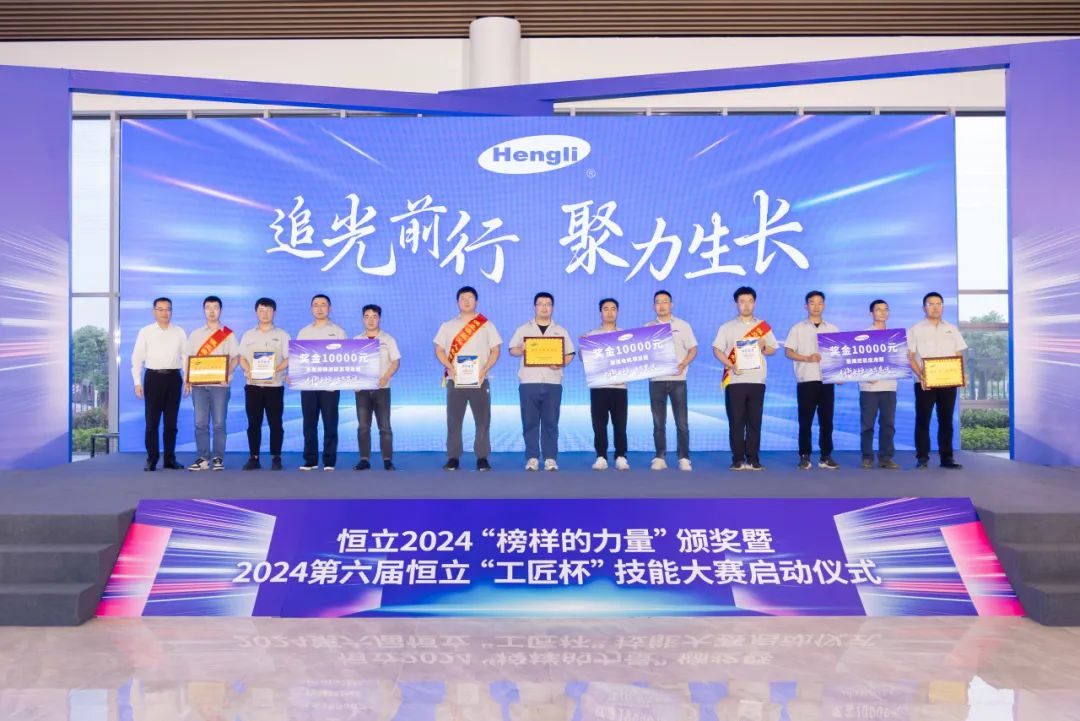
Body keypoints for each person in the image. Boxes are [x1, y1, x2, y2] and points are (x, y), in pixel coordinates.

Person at [434, 286, 502, 472]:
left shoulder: (486, 325)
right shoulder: (448, 326)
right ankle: (453, 457)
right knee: (454, 420)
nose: (466, 301)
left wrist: (484, 370)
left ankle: (482, 457)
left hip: (480, 380)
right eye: (463, 298)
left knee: (483, 420)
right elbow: (439, 350)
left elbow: (496, 350)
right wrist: (450, 368)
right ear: (457, 303)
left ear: (476, 301)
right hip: (455, 380)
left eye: (470, 298)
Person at [713, 286, 778, 471]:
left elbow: (772, 350)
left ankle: (753, 459)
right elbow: (717, 349)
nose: (746, 305)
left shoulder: (762, 327)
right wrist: (730, 364)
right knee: (736, 421)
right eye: (742, 302)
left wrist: (763, 346)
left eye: (750, 301)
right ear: (736, 304)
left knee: (754, 422)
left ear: (754, 303)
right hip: (735, 380)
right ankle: (737, 459)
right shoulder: (727, 327)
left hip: (757, 380)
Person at [509, 292, 576, 471]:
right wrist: (521, 349)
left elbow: (570, 353)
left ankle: (550, 458)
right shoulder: (524, 329)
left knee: (551, 422)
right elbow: (512, 350)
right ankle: (532, 458)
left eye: (548, 304)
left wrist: (561, 363)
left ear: (552, 308)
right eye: (540, 304)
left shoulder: (560, 330)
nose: (544, 307)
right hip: (529, 382)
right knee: (530, 422)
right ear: (534, 307)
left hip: (553, 382)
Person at [908, 291, 968, 469]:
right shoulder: (915, 329)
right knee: (923, 420)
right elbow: (910, 357)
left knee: (946, 420)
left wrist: (961, 373)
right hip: (924, 383)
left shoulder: (951, 328)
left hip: (948, 382)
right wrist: (921, 375)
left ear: (942, 307)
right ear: (924, 308)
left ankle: (947, 458)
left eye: (938, 304)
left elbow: (958, 354)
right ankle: (922, 457)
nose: (935, 307)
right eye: (931, 304)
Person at [183, 295, 240, 471]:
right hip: (199, 385)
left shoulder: (228, 334)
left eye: (215, 308)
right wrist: (187, 380)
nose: (212, 311)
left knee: (219, 423)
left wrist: (227, 373)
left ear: (220, 310)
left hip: (220, 385)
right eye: (208, 308)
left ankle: (218, 457)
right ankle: (203, 458)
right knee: (200, 423)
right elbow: (188, 358)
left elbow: (235, 357)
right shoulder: (195, 334)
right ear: (204, 310)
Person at [785, 290, 841, 470]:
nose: (816, 306)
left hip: (827, 381)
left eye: (820, 303)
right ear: (806, 306)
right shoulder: (797, 328)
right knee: (805, 421)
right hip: (806, 380)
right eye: (812, 303)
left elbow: (839, 355)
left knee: (827, 421)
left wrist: (840, 375)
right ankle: (805, 455)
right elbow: (788, 352)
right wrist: (807, 358)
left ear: (824, 306)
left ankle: (826, 455)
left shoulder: (832, 329)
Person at [131, 297, 187, 471]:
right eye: (160, 309)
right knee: (152, 423)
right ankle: (152, 459)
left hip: (173, 378)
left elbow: (186, 358)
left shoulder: (179, 332)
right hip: (153, 378)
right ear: (154, 311)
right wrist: (137, 382)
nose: (165, 312)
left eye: (168, 309)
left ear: (172, 311)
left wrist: (188, 380)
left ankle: (170, 459)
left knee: (171, 423)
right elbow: (137, 358)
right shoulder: (146, 332)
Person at [646, 290, 698, 471]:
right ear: (654, 306)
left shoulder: (683, 325)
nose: (661, 305)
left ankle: (684, 457)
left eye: (665, 301)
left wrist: (683, 364)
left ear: (671, 305)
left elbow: (693, 349)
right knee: (658, 423)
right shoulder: (647, 328)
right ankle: (660, 457)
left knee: (681, 422)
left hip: (678, 380)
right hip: (657, 380)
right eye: (658, 302)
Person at [296, 294, 348, 471]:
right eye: (315, 305)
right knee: (309, 423)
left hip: (330, 386)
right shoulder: (304, 332)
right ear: (311, 308)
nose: (319, 308)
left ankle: (329, 460)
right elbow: (298, 358)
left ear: (330, 308)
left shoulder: (338, 332)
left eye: (323, 305)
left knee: (330, 423)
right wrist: (295, 375)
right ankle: (310, 460)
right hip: (308, 384)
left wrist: (336, 381)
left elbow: (344, 358)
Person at [238, 298, 290, 471]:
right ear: (256, 312)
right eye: (261, 310)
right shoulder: (248, 335)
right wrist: (248, 370)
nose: (265, 313)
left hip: (274, 386)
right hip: (253, 386)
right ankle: (254, 457)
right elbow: (242, 358)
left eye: (268, 310)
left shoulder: (282, 335)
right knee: (254, 423)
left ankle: (276, 457)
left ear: (274, 313)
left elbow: (289, 358)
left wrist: (275, 369)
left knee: (276, 423)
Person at [353, 304, 401, 472]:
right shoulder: (356, 340)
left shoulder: (388, 339)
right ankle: (364, 459)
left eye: (374, 316)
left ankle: (387, 460)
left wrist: (386, 377)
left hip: (382, 389)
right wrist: (353, 382)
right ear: (363, 319)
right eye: (367, 316)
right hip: (362, 390)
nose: (371, 320)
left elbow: (395, 362)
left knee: (385, 426)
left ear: (379, 319)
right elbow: (351, 365)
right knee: (363, 426)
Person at [584, 298, 629, 471]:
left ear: (617, 312)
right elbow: (584, 358)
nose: (609, 312)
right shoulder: (592, 335)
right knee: (599, 424)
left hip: (619, 387)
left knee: (620, 424)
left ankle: (621, 456)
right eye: (606, 309)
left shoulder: (626, 335)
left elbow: (632, 360)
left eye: (613, 308)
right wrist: (584, 345)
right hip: (599, 387)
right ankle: (601, 456)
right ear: (600, 312)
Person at [861, 299, 900, 470]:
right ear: (871, 313)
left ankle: (885, 458)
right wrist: (865, 375)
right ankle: (867, 458)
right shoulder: (862, 335)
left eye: (886, 309)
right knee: (867, 425)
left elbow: (899, 360)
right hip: (868, 387)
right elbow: (855, 361)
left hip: (889, 386)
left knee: (888, 425)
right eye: (878, 309)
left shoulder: (896, 337)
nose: (883, 312)